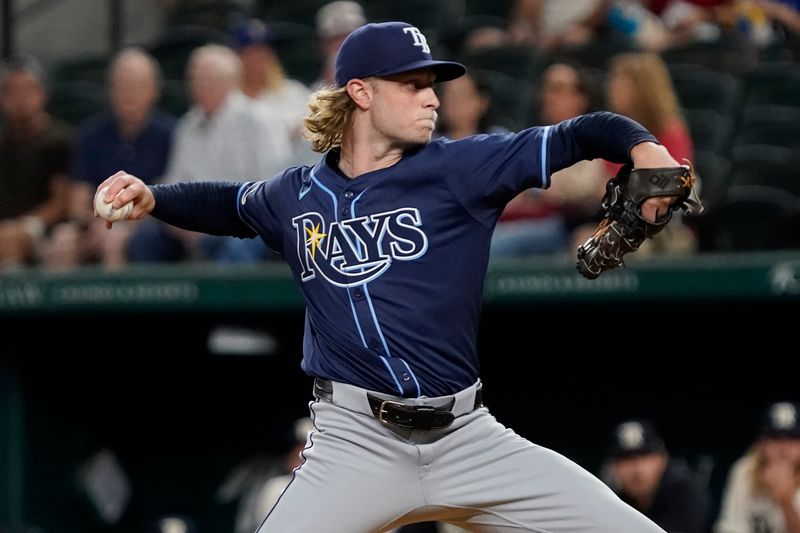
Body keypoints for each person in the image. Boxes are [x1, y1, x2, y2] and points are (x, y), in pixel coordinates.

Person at [96, 21, 686, 532]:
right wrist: (155, 196)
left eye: (431, 84)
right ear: (361, 92)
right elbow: (231, 204)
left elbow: (577, 134)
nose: (431, 98)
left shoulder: (462, 166)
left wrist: (644, 146)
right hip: (355, 443)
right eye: (412, 84)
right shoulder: (297, 194)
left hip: (468, 438)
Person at [0, 54, 72, 268]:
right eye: (11, 92)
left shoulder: (59, 140)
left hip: (45, 228)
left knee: (11, 244)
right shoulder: (2, 144)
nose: (20, 99)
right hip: (4, 227)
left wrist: (24, 226)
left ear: (42, 93)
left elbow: (61, 202)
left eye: (27, 90)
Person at [605, 419, 710, 533]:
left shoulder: (685, 494)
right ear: (614, 467)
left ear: (662, 459)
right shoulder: (613, 500)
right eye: (626, 459)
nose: (637, 469)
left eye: (644, 456)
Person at [715, 401, 800, 533]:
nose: (783, 447)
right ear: (762, 442)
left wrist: (786, 502)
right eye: (775, 437)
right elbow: (730, 528)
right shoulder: (745, 471)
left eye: (792, 438)